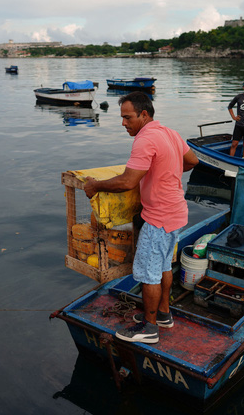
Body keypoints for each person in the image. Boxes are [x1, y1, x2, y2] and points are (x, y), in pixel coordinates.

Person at [83, 91, 198, 344]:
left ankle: (149, 328)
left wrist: (95, 186)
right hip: (176, 212)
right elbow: (192, 161)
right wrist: (165, 172)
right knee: (165, 265)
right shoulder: (170, 133)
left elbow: (127, 181)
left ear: (144, 115)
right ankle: (164, 314)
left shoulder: (145, 139)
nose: (123, 123)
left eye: (127, 117)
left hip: (158, 218)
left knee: (148, 274)